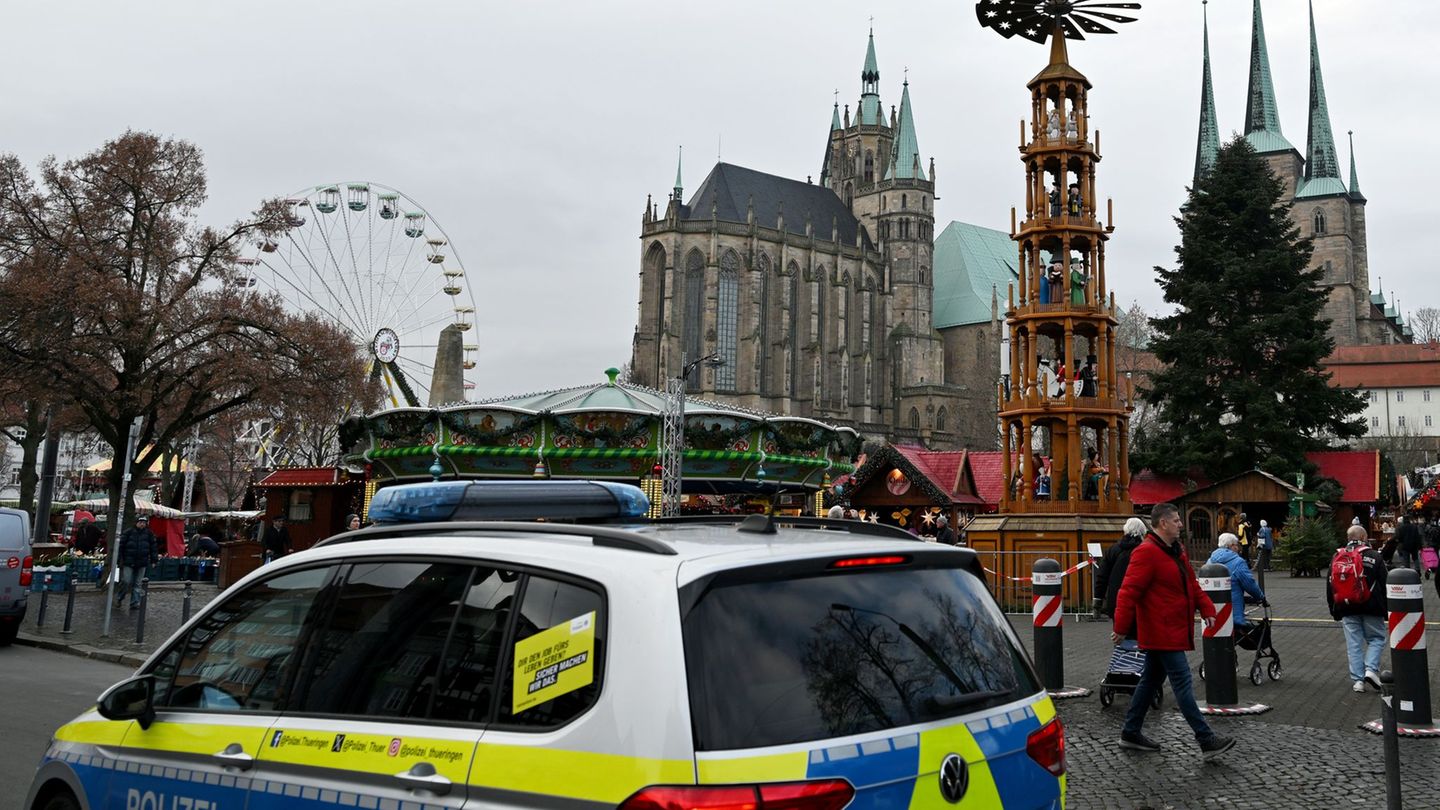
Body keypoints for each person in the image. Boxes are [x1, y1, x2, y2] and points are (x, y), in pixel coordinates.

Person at [1112, 502, 1234, 759]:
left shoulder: (1175, 551)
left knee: (1150, 680)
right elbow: (1128, 591)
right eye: (1176, 520)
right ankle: (1205, 738)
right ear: (1163, 523)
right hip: (1161, 631)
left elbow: (1191, 582)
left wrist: (1208, 609)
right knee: (1182, 682)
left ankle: (1130, 732)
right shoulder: (1146, 553)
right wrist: (1121, 628)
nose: (1181, 524)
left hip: (1171, 629)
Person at [1326, 524, 1387, 692]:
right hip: (1371, 606)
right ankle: (1371, 670)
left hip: (1346, 606)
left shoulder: (1337, 556)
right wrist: (1387, 609)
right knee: (1376, 639)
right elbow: (1384, 583)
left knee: (1354, 644)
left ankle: (1358, 681)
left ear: (1348, 538)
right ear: (1363, 538)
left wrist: (1334, 609)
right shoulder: (1374, 556)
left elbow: (1330, 585)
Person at [1206, 534, 1267, 629]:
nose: (1238, 548)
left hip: (1213, 609)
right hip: (1233, 609)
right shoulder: (1238, 562)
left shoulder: (1210, 561)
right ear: (1231, 546)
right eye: (1236, 545)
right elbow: (1249, 584)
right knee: (1238, 634)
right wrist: (1260, 597)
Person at [1094, 516, 1147, 623]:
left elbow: (1102, 576)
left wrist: (1098, 599)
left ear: (1125, 530)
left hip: (1116, 598)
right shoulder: (1146, 550)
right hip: (1141, 600)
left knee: (1120, 630)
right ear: (1143, 531)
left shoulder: (1113, 550)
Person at [115, 516, 159, 610]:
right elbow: (121, 546)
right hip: (129, 561)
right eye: (140, 522)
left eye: (144, 522)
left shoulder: (149, 534)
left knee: (138, 583)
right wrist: (119, 559)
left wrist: (154, 560)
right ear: (136, 522)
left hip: (142, 561)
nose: (142, 524)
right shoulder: (128, 532)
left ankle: (134, 602)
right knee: (126, 581)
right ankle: (120, 597)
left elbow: (153, 547)